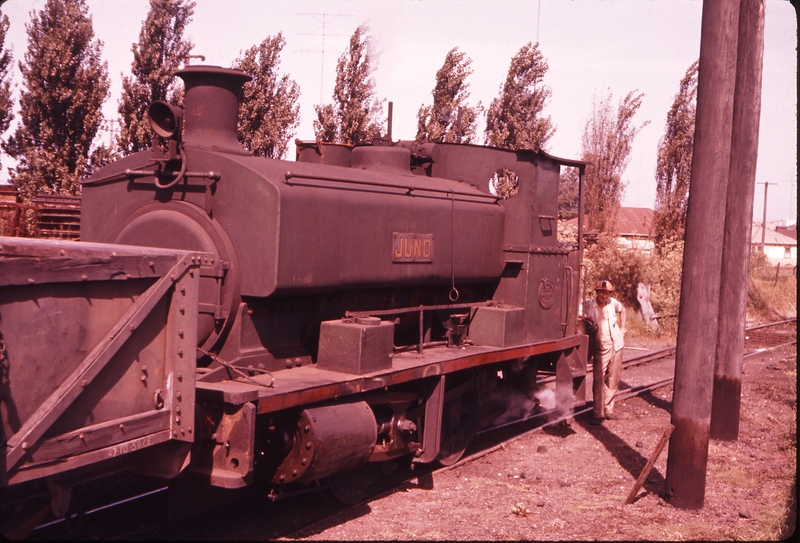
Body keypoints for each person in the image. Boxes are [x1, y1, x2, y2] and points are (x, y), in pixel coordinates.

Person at [581, 280, 626, 423]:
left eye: (607, 293)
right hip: (600, 346)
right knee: (599, 379)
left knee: (612, 378)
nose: (604, 296)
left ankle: (609, 409)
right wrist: (588, 317)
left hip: (616, 344)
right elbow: (577, 313)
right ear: (597, 292)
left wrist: (623, 328)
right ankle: (598, 413)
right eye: (601, 293)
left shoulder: (613, 303)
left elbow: (623, 309)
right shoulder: (588, 304)